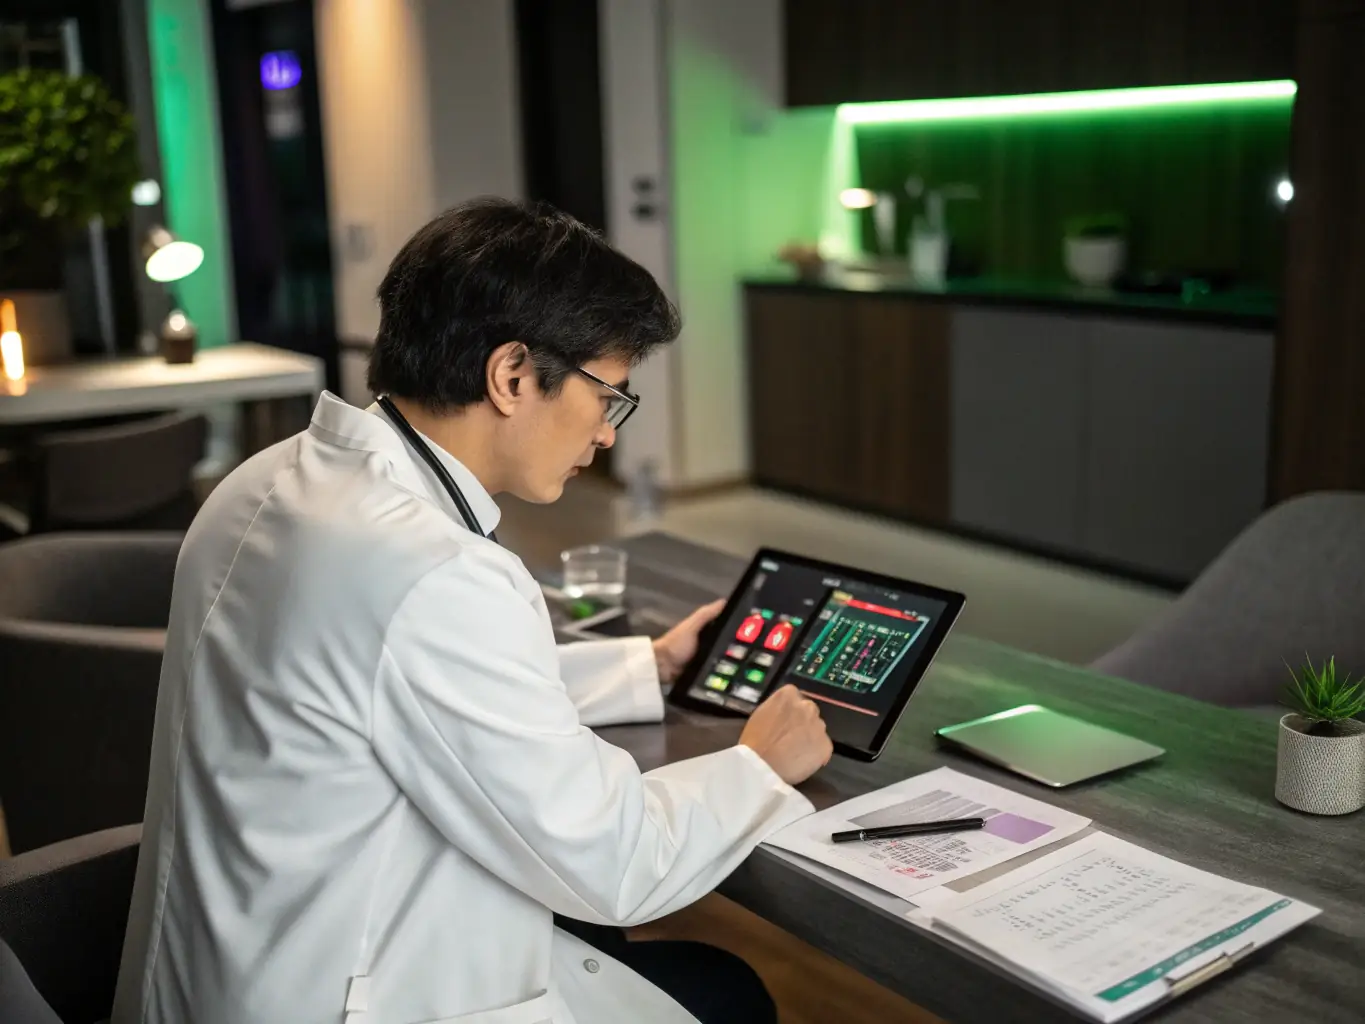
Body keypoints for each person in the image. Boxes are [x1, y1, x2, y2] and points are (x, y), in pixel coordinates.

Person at [112, 198, 832, 1024]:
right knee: (727, 992)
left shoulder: (268, 481)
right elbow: (615, 864)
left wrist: (647, 664)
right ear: (513, 375)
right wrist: (757, 768)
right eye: (610, 397)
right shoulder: (435, 572)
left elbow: (375, 680)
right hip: (341, 992)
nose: (607, 435)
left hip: (221, 974)